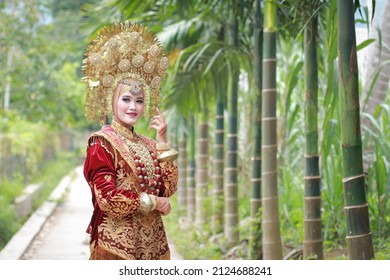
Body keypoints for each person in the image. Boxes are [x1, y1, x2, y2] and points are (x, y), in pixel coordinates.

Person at [81, 21, 179, 260]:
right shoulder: (101, 143)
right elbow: (108, 199)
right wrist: (154, 202)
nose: (133, 107)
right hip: (116, 245)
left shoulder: (147, 143)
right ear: (111, 101)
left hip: (153, 244)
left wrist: (162, 141)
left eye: (139, 101)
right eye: (126, 99)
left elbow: (169, 188)